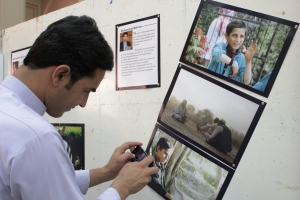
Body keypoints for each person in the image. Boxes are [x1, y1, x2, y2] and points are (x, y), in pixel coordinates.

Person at [0, 15, 158, 200]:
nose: (83, 103)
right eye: (86, 91)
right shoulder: (37, 138)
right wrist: (121, 188)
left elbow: (48, 183)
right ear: (60, 75)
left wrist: (107, 172)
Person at [207, 20, 259, 85]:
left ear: (244, 38)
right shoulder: (220, 46)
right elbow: (216, 54)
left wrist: (248, 61)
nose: (238, 40)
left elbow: (246, 82)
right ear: (226, 36)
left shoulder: (242, 58)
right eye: (234, 35)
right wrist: (233, 63)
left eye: (241, 36)